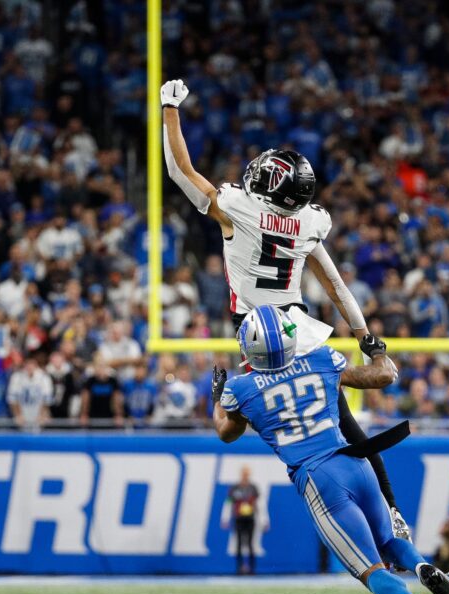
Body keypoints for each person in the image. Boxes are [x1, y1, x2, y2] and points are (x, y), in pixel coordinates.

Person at [161, 79, 408, 541]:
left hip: (259, 332)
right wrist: (363, 334)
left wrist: (169, 108)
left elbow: (179, 169)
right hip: (299, 327)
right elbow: (334, 282)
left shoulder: (239, 208)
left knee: (244, 418)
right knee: (342, 421)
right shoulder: (310, 222)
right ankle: (390, 511)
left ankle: (340, 504)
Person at [211, 305, 449, 594]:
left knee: (371, 572)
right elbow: (383, 375)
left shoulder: (240, 389)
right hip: (355, 462)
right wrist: (376, 349)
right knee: (390, 543)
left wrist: (216, 400)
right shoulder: (320, 359)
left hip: (320, 479)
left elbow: (227, 432)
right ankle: (423, 567)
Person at [223, 466, 263, 574]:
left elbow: (259, 504)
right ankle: (239, 567)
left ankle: (251, 568)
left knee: (250, 544)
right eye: (244, 473)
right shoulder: (235, 487)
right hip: (239, 518)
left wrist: (263, 520)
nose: (245, 476)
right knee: (239, 543)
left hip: (250, 518)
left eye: (247, 473)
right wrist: (225, 518)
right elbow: (228, 503)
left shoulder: (253, 487)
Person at [7, 353, 53, 431]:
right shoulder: (16, 377)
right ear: (24, 364)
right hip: (22, 410)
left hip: (37, 410)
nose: (30, 366)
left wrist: (42, 414)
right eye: (28, 364)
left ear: (36, 365)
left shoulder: (44, 377)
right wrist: (18, 414)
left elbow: (47, 399)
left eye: (32, 364)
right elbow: (12, 399)